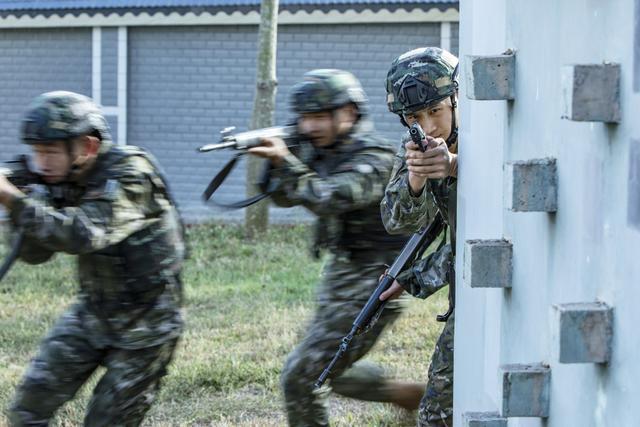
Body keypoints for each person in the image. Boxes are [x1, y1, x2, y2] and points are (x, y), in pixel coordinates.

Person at [248, 69, 424, 426]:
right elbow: (282, 197)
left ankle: (409, 395)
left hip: (380, 279)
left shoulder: (374, 157)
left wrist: (288, 161)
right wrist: (277, 162)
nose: (310, 127)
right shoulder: (322, 150)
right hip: (343, 273)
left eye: (319, 117)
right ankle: (403, 393)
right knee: (329, 367)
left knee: (302, 375)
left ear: (349, 112)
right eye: (305, 119)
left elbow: (330, 197)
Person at [0, 91, 185, 426]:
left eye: (50, 151)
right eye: (36, 151)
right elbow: (34, 255)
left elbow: (83, 234)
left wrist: (13, 200)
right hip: (93, 312)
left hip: (147, 323)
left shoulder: (131, 173)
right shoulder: (60, 179)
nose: (41, 162)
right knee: (28, 408)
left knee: (106, 420)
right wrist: (26, 201)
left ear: (87, 147)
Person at [379, 47, 460, 427]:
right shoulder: (417, 146)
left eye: (435, 111)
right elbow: (396, 219)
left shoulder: (496, 131)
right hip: (471, 289)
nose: (427, 126)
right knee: (438, 411)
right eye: (414, 117)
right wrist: (417, 177)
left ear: (457, 100)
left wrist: (456, 166)